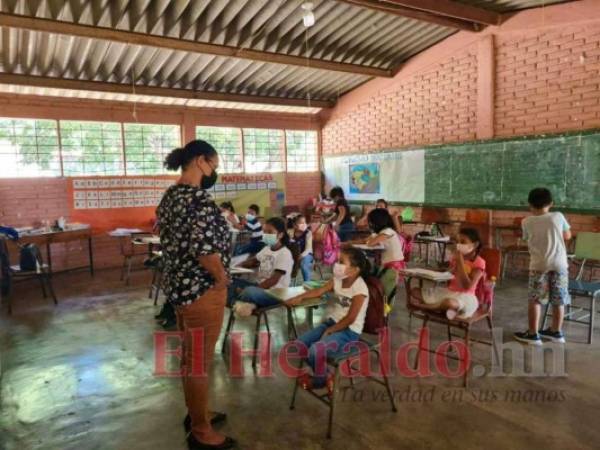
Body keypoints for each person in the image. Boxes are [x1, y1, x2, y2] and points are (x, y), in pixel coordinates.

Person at [156, 140, 235, 450]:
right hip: (202, 291)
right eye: (214, 165)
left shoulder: (170, 196)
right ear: (201, 161)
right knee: (199, 362)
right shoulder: (198, 200)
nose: (215, 171)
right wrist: (221, 278)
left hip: (179, 289)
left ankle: (197, 413)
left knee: (191, 359)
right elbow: (205, 251)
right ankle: (202, 432)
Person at [287, 248, 370, 391]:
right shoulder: (338, 279)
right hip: (332, 323)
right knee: (299, 345)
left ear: (354, 270)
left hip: (349, 331)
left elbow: (351, 318)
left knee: (315, 351)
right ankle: (326, 376)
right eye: (338, 261)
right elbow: (320, 290)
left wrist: (331, 330)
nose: (336, 264)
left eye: (341, 262)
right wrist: (299, 297)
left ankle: (320, 381)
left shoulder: (360, 289)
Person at [514, 188, 571, 345]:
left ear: (530, 204)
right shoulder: (558, 216)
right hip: (559, 265)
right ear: (551, 203)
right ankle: (556, 332)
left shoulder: (526, 221)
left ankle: (533, 334)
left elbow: (527, 239)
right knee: (558, 299)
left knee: (535, 300)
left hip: (539, 265)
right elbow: (567, 236)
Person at [228, 217, 297, 316]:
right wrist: (236, 266)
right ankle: (242, 304)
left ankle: (241, 301)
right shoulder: (266, 249)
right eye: (264, 231)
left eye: (270, 232)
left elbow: (274, 280)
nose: (266, 235)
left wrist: (254, 289)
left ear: (280, 234)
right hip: (260, 288)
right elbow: (253, 261)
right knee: (228, 283)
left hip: (276, 293)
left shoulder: (284, 253)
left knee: (249, 292)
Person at [410, 228, 485, 320]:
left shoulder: (479, 262)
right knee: (415, 291)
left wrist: (460, 261)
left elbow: (467, 286)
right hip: (449, 292)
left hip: (465, 297)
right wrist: (435, 274)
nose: (459, 244)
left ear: (475, 244)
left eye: (463, 242)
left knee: (449, 303)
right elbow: (448, 274)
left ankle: (427, 307)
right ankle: (447, 310)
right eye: (457, 241)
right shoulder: (456, 258)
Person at [347, 208, 404, 273]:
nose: (368, 224)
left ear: (375, 222)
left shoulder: (388, 231)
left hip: (393, 265)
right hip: (388, 263)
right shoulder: (380, 232)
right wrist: (348, 243)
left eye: (369, 221)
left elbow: (370, 243)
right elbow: (364, 240)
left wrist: (370, 241)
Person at [290, 215, 313, 282]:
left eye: (304, 222)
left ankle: (307, 284)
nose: (303, 224)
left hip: (307, 254)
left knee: (303, 264)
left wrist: (300, 256)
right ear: (294, 225)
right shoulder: (290, 232)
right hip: (294, 254)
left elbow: (308, 249)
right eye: (301, 223)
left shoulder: (308, 233)